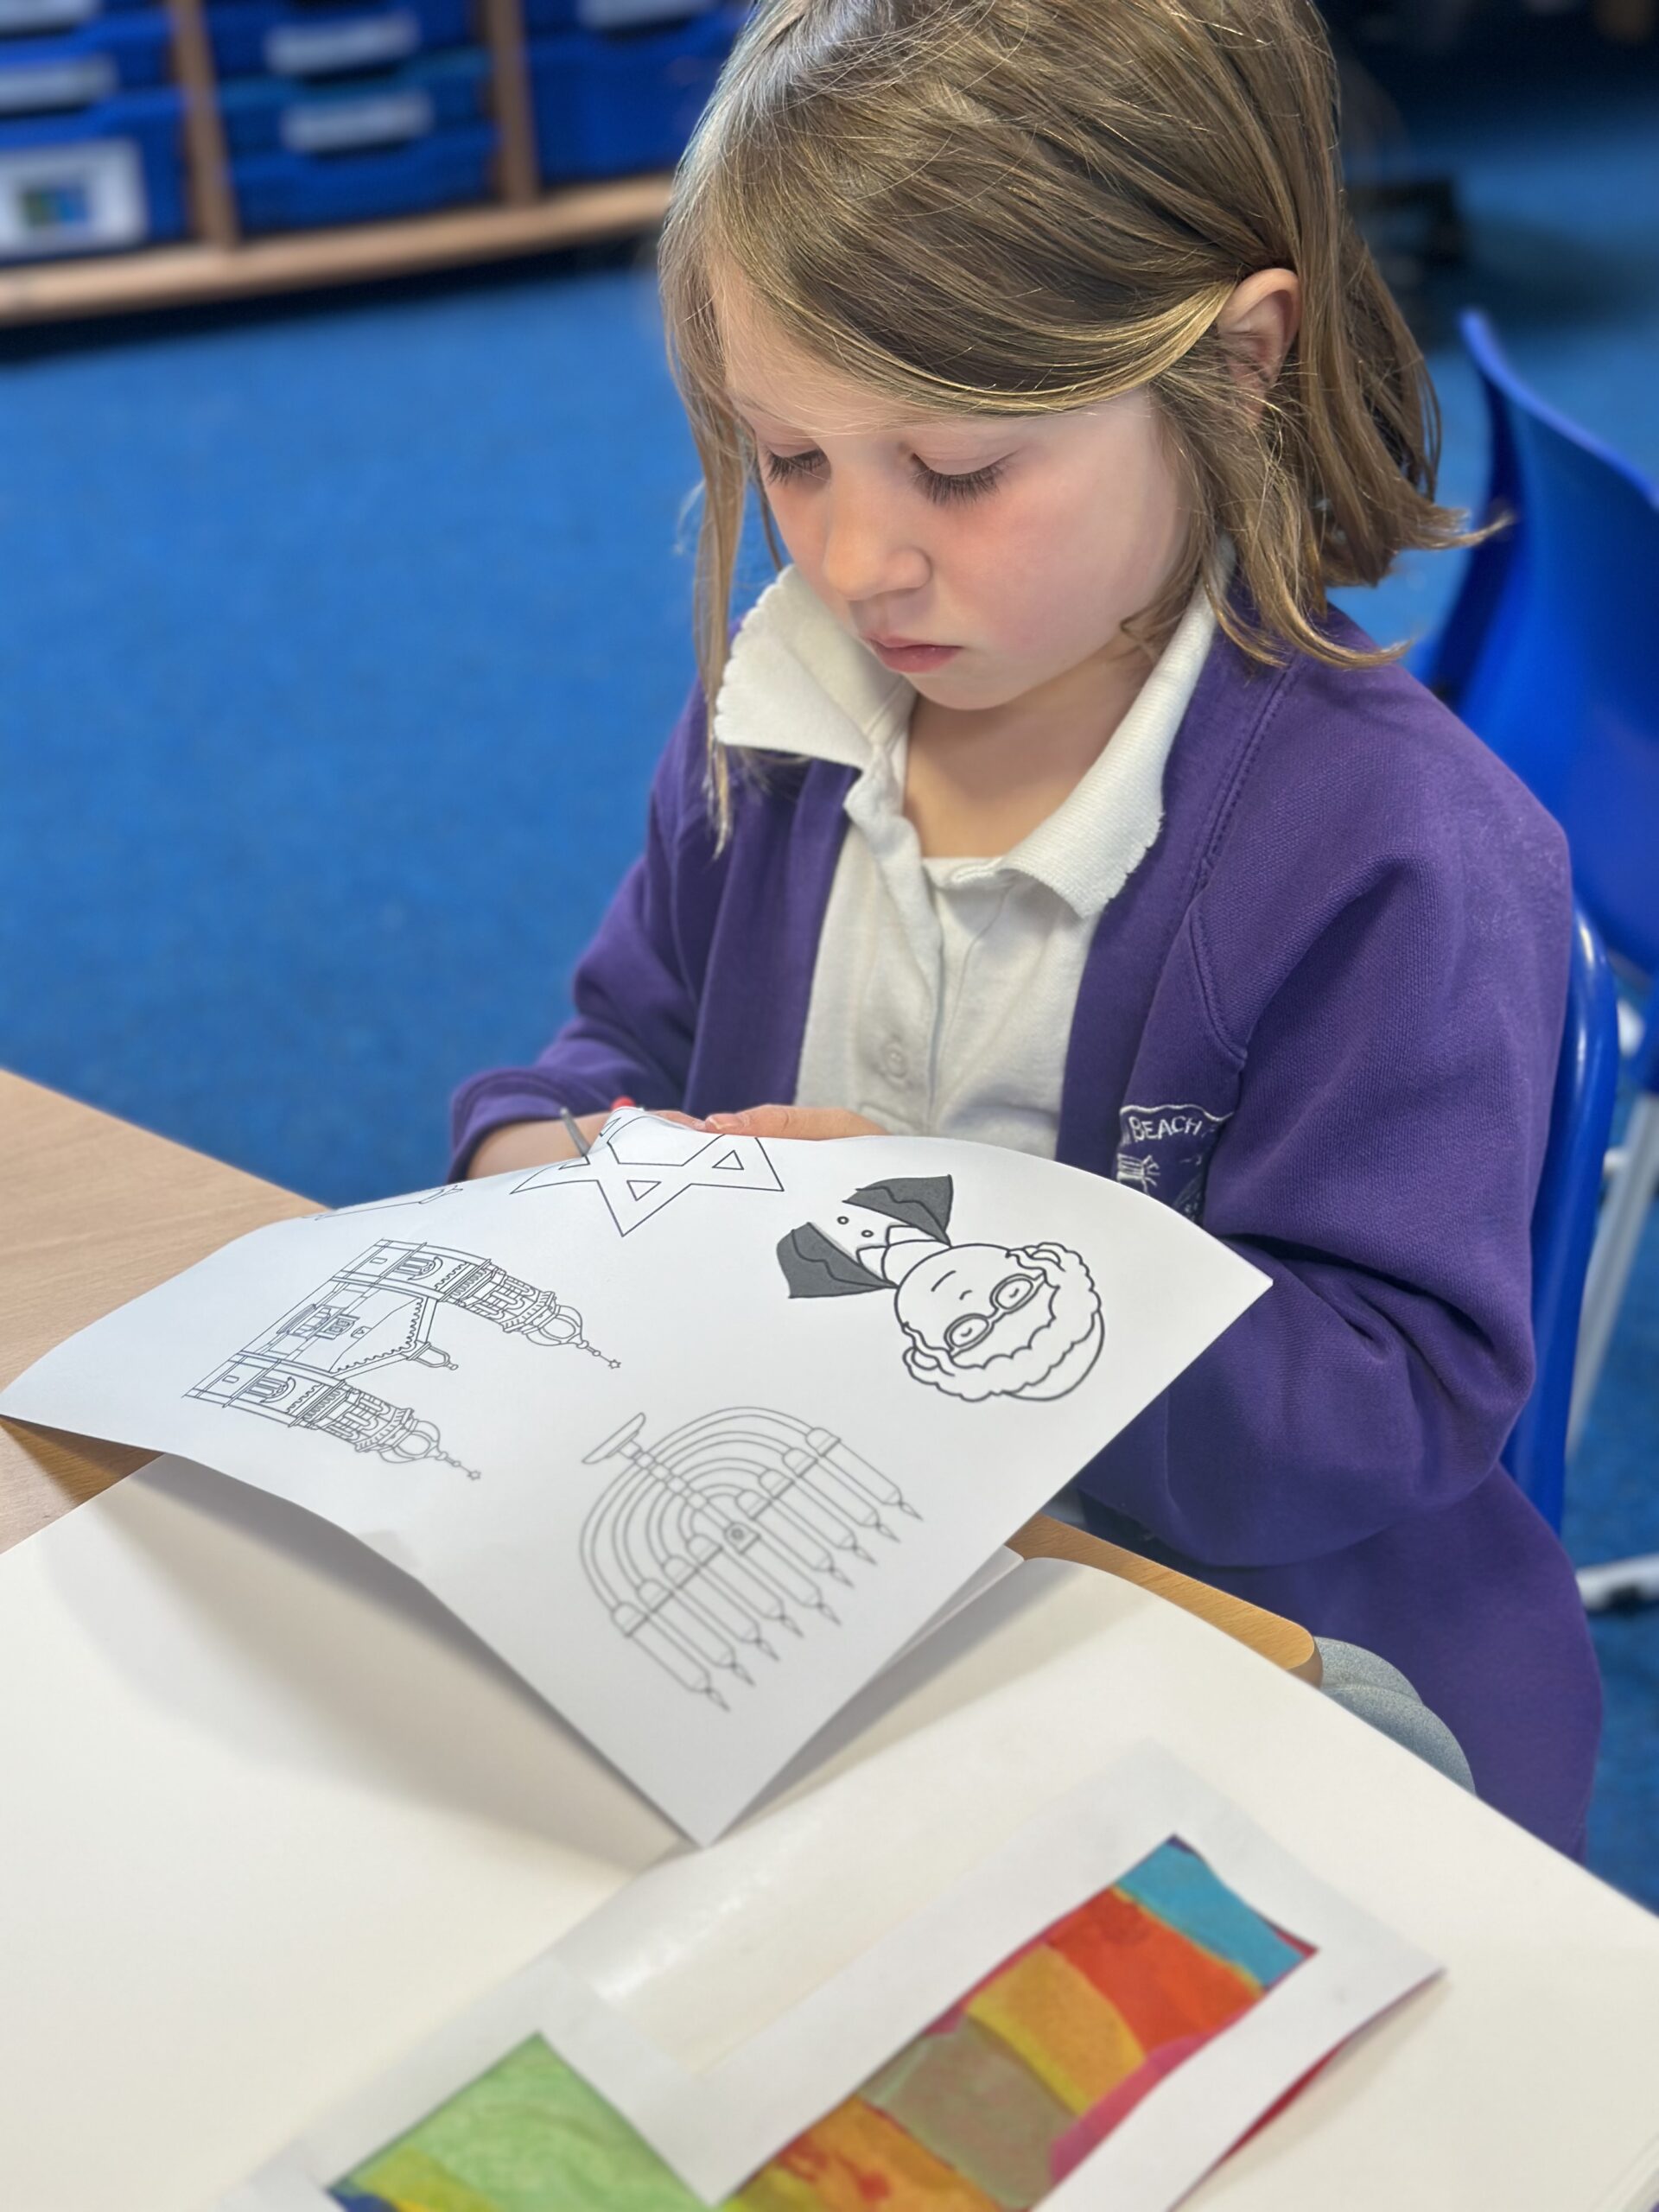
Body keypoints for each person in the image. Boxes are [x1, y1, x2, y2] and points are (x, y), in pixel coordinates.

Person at [450, 0, 1600, 1852]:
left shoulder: (1404, 858)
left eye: (962, 471)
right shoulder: (781, 724)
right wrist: (547, 1166)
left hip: (1264, 1679)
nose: (857, 562)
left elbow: (1383, 1407)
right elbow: (605, 1053)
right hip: (817, 1607)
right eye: (790, 459)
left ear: (1237, 368)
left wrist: (938, 1256)